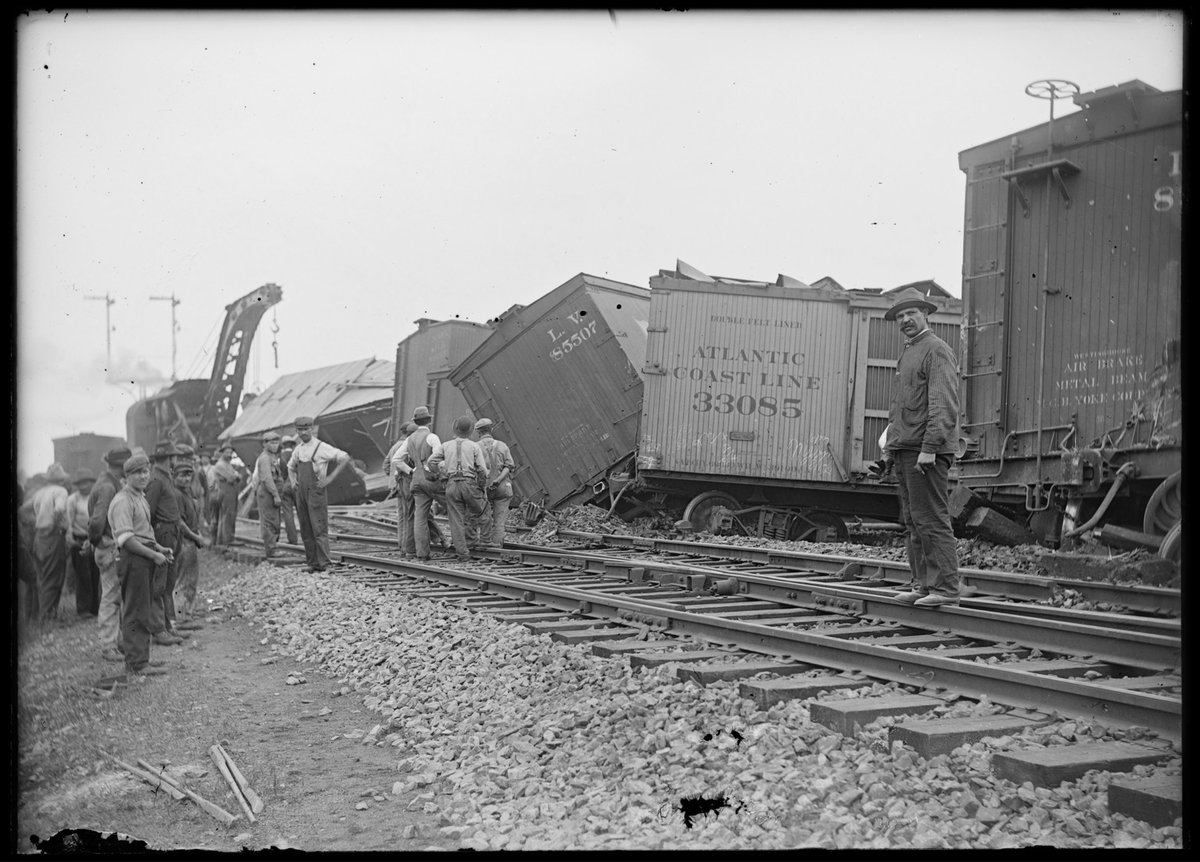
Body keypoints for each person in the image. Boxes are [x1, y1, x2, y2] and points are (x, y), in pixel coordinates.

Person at [880, 287, 962, 608]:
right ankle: (923, 585)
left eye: (911, 313)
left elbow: (943, 404)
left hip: (925, 451)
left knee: (931, 519)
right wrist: (890, 448)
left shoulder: (936, 350)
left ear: (925, 314)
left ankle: (946, 590)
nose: (905, 320)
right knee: (914, 520)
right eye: (900, 316)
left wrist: (930, 447)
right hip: (906, 449)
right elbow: (900, 407)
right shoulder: (909, 352)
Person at [108, 452, 173, 680]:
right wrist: (153, 555)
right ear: (127, 476)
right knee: (135, 611)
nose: (144, 476)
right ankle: (136, 664)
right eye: (138, 473)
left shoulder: (140, 497)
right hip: (133, 559)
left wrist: (159, 548)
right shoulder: (122, 501)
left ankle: (141, 659)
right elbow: (126, 539)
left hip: (143, 557)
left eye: (146, 471)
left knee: (142, 609)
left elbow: (144, 532)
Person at [286, 416, 352, 572]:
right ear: (297, 431)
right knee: (305, 528)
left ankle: (325, 563)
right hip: (301, 492)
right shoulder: (299, 449)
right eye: (300, 430)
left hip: (316, 491)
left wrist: (329, 478)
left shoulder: (321, 447)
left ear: (312, 429)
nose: (303, 432)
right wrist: (293, 480)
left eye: (306, 429)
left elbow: (344, 458)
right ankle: (313, 563)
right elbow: (290, 467)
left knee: (319, 527)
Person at [89, 446, 131, 661]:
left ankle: (115, 641)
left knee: (114, 595)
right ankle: (108, 645)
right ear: (121, 466)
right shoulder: (107, 487)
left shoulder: (107, 483)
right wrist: (101, 541)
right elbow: (97, 521)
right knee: (111, 597)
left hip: (106, 545)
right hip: (108, 546)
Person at [427, 416, 489, 561]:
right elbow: (482, 470)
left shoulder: (446, 445)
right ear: (471, 430)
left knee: (456, 519)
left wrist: (442, 473)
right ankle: (476, 542)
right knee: (478, 511)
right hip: (470, 483)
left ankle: (463, 554)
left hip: (452, 484)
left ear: (455, 429)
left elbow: (431, 462)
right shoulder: (474, 446)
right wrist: (481, 485)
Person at [145, 441, 185, 645]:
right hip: (163, 533)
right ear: (170, 458)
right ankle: (158, 629)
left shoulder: (163, 477)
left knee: (168, 582)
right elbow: (148, 513)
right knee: (159, 584)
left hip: (171, 532)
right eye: (174, 456)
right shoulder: (156, 480)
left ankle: (168, 625)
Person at [405, 406, 447, 561]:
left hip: (416, 479)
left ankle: (422, 553)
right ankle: (463, 546)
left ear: (416, 422)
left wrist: (412, 470)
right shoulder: (432, 437)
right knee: (454, 506)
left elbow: (398, 459)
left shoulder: (409, 439)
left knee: (420, 517)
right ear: (429, 420)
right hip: (430, 479)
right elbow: (438, 461)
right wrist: (440, 476)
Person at [31, 463, 71, 622]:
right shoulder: (61, 491)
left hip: (39, 536)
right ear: (61, 479)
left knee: (43, 576)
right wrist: (58, 527)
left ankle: (45, 614)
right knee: (53, 576)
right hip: (52, 535)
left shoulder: (39, 493)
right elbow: (59, 510)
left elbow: (29, 511)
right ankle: (47, 617)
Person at [171, 460, 209, 627]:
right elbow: (179, 523)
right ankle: (180, 617)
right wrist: (196, 536)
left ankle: (187, 612)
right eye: (181, 475)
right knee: (184, 580)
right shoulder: (176, 495)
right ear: (174, 476)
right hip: (183, 541)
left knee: (191, 579)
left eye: (188, 475)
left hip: (191, 540)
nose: (185, 479)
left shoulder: (188, 492)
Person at [474, 418, 515, 548]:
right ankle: (497, 548)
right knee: (500, 520)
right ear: (491, 430)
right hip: (502, 486)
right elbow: (509, 466)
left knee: (482, 517)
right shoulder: (502, 445)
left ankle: (483, 543)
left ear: (479, 432)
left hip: (483, 487)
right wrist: (498, 480)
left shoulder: (475, 447)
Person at [66, 468, 101, 617]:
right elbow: (68, 521)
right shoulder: (73, 499)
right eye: (81, 483)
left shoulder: (95, 498)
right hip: (79, 539)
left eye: (87, 483)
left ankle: (95, 607)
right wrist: (71, 541)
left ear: (91, 483)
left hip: (94, 539)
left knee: (95, 572)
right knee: (82, 574)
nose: (84, 486)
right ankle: (83, 609)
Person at [254, 431, 284, 558]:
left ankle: (273, 547)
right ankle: (271, 550)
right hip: (268, 494)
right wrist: (276, 495)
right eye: (272, 443)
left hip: (271, 492)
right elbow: (267, 478)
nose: (275, 445)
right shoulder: (265, 458)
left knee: (274, 520)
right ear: (265, 444)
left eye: (276, 443)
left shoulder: (272, 457)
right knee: (269, 521)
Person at [210, 445, 241, 547]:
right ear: (222, 452)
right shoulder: (220, 465)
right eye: (227, 452)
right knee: (227, 514)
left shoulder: (228, 464)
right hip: (225, 492)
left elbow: (238, 476)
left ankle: (229, 537)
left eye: (231, 452)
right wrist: (235, 475)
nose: (229, 454)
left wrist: (236, 475)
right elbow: (231, 477)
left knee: (231, 514)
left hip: (231, 492)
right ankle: (226, 539)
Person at [277, 436, 300, 545]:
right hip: (297, 485)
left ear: (283, 445)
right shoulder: (297, 455)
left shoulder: (280, 457)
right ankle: (307, 538)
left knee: (288, 513)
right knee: (302, 512)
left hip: (286, 485)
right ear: (292, 444)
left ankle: (293, 539)